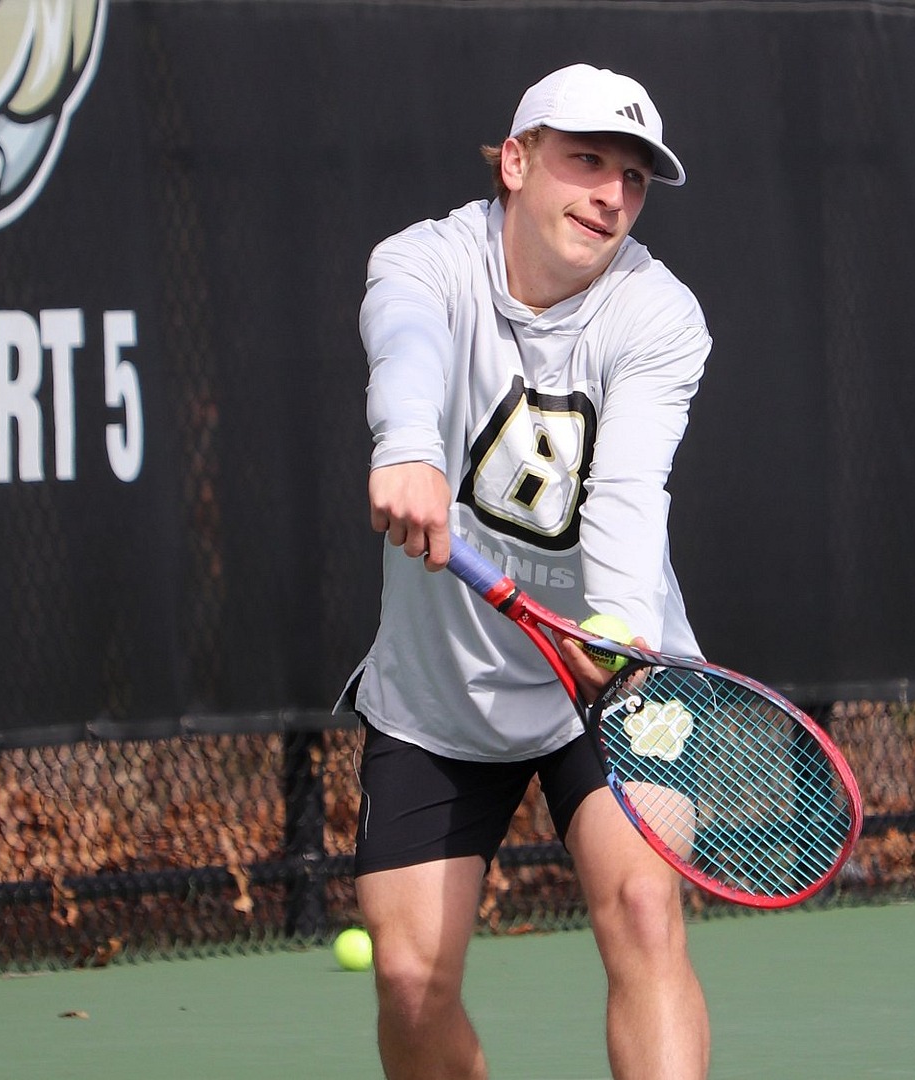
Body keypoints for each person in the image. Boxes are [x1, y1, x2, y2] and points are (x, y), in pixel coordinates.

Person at [337, 63, 711, 1079]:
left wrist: (624, 628)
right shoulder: (422, 262)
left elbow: (631, 485)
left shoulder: (659, 317)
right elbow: (406, 345)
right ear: (515, 162)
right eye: (585, 161)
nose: (610, 196)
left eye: (632, 178)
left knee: (642, 907)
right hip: (442, 692)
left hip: (612, 670)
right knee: (412, 982)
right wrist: (407, 444)